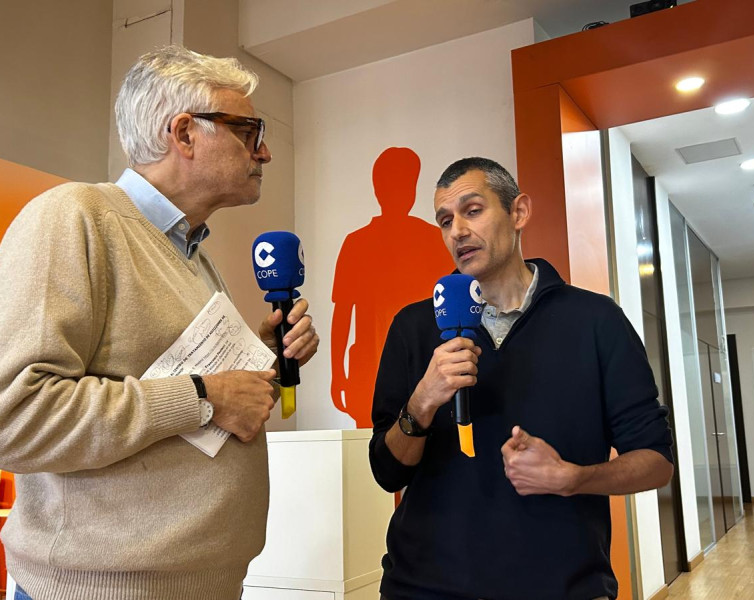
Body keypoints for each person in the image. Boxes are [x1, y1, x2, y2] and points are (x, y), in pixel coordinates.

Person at [0, 46, 319, 600]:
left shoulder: (193, 253)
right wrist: (204, 396)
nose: (264, 152)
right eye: (248, 130)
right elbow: (15, 416)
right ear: (185, 133)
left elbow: (177, 392)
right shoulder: (73, 216)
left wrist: (260, 359)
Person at [369, 157, 673, 600]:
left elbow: (656, 461)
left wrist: (572, 478)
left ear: (519, 213)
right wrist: (421, 402)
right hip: (422, 588)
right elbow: (386, 471)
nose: (456, 231)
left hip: (563, 587)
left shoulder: (595, 320)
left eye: (472, 211)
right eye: (444, 220)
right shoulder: (413, 326)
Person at [330, 147, 453, 428]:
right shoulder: (356, 243)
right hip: (367, 367)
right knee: (373, 444)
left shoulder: (434, 241)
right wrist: (338, 372)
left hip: (427, 362)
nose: (398, 193)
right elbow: (343, 313)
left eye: (406, 185)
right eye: (390, 185)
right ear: (377, 189)